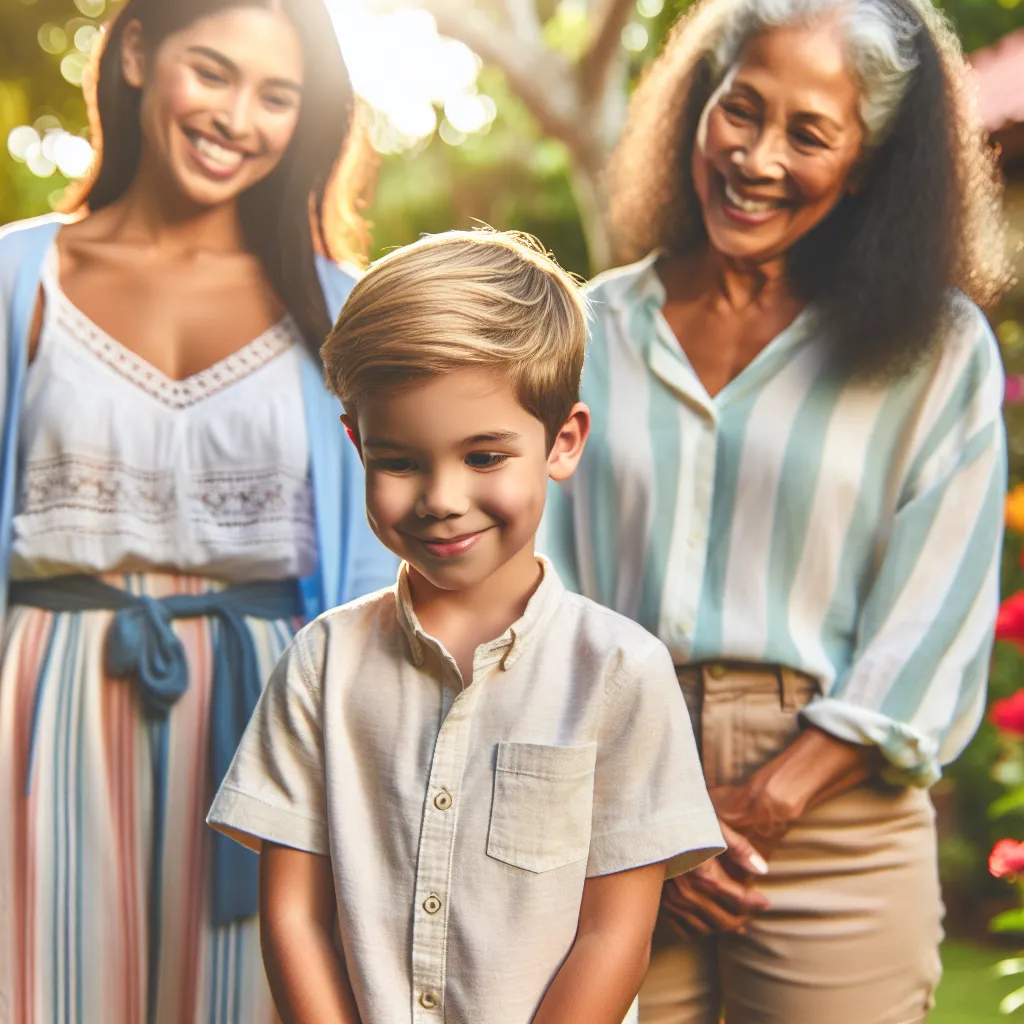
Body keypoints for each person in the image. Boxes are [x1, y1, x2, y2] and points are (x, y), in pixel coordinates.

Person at [539, 0, 1010, 1020]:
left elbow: (933, 611)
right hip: (611, 796)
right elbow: (541, 580)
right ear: (696, 105)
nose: (753, 157)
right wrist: (641, 811)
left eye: (808, 132)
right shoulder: (591, 330)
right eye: (739, 109)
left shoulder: (934, 350)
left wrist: (760, 801)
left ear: (868, 162)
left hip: (833, 809)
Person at [207, 230, 726, 1024]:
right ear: (357, 442)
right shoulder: (321, 664)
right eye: (401, 460)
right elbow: (294, 916)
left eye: (484, 457)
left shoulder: (621, 672)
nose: (440, 497)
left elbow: (615, 932)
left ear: (562, 442)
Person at [0, 1, 395, 1020]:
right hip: (36, 707)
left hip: (271, 718)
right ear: (136, 52)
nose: (238, 117)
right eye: (212, 72)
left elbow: (392, 560)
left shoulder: (346, 310)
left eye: (276, 95)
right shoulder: (16, 278)